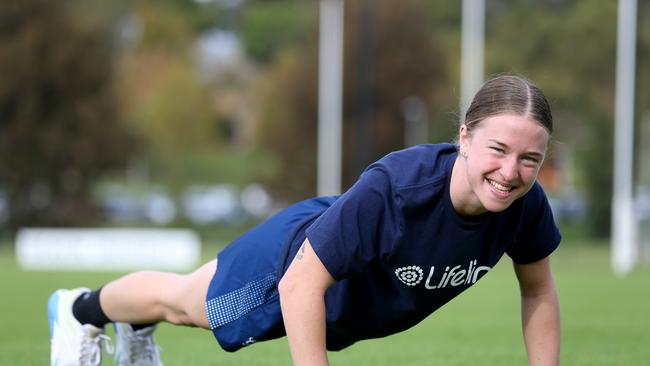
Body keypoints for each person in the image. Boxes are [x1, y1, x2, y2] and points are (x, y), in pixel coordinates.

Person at [48, 74, 561, 366]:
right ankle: (79, 311)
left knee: (181, 301)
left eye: (529, 159)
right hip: (291, 264)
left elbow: (537, 290)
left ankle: (134, 330)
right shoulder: (399, 190)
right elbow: (300, 285)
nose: (510, 172)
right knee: (185, 304)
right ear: (465, 138)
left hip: (343, 296)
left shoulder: (525, 204)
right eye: (498, 149)